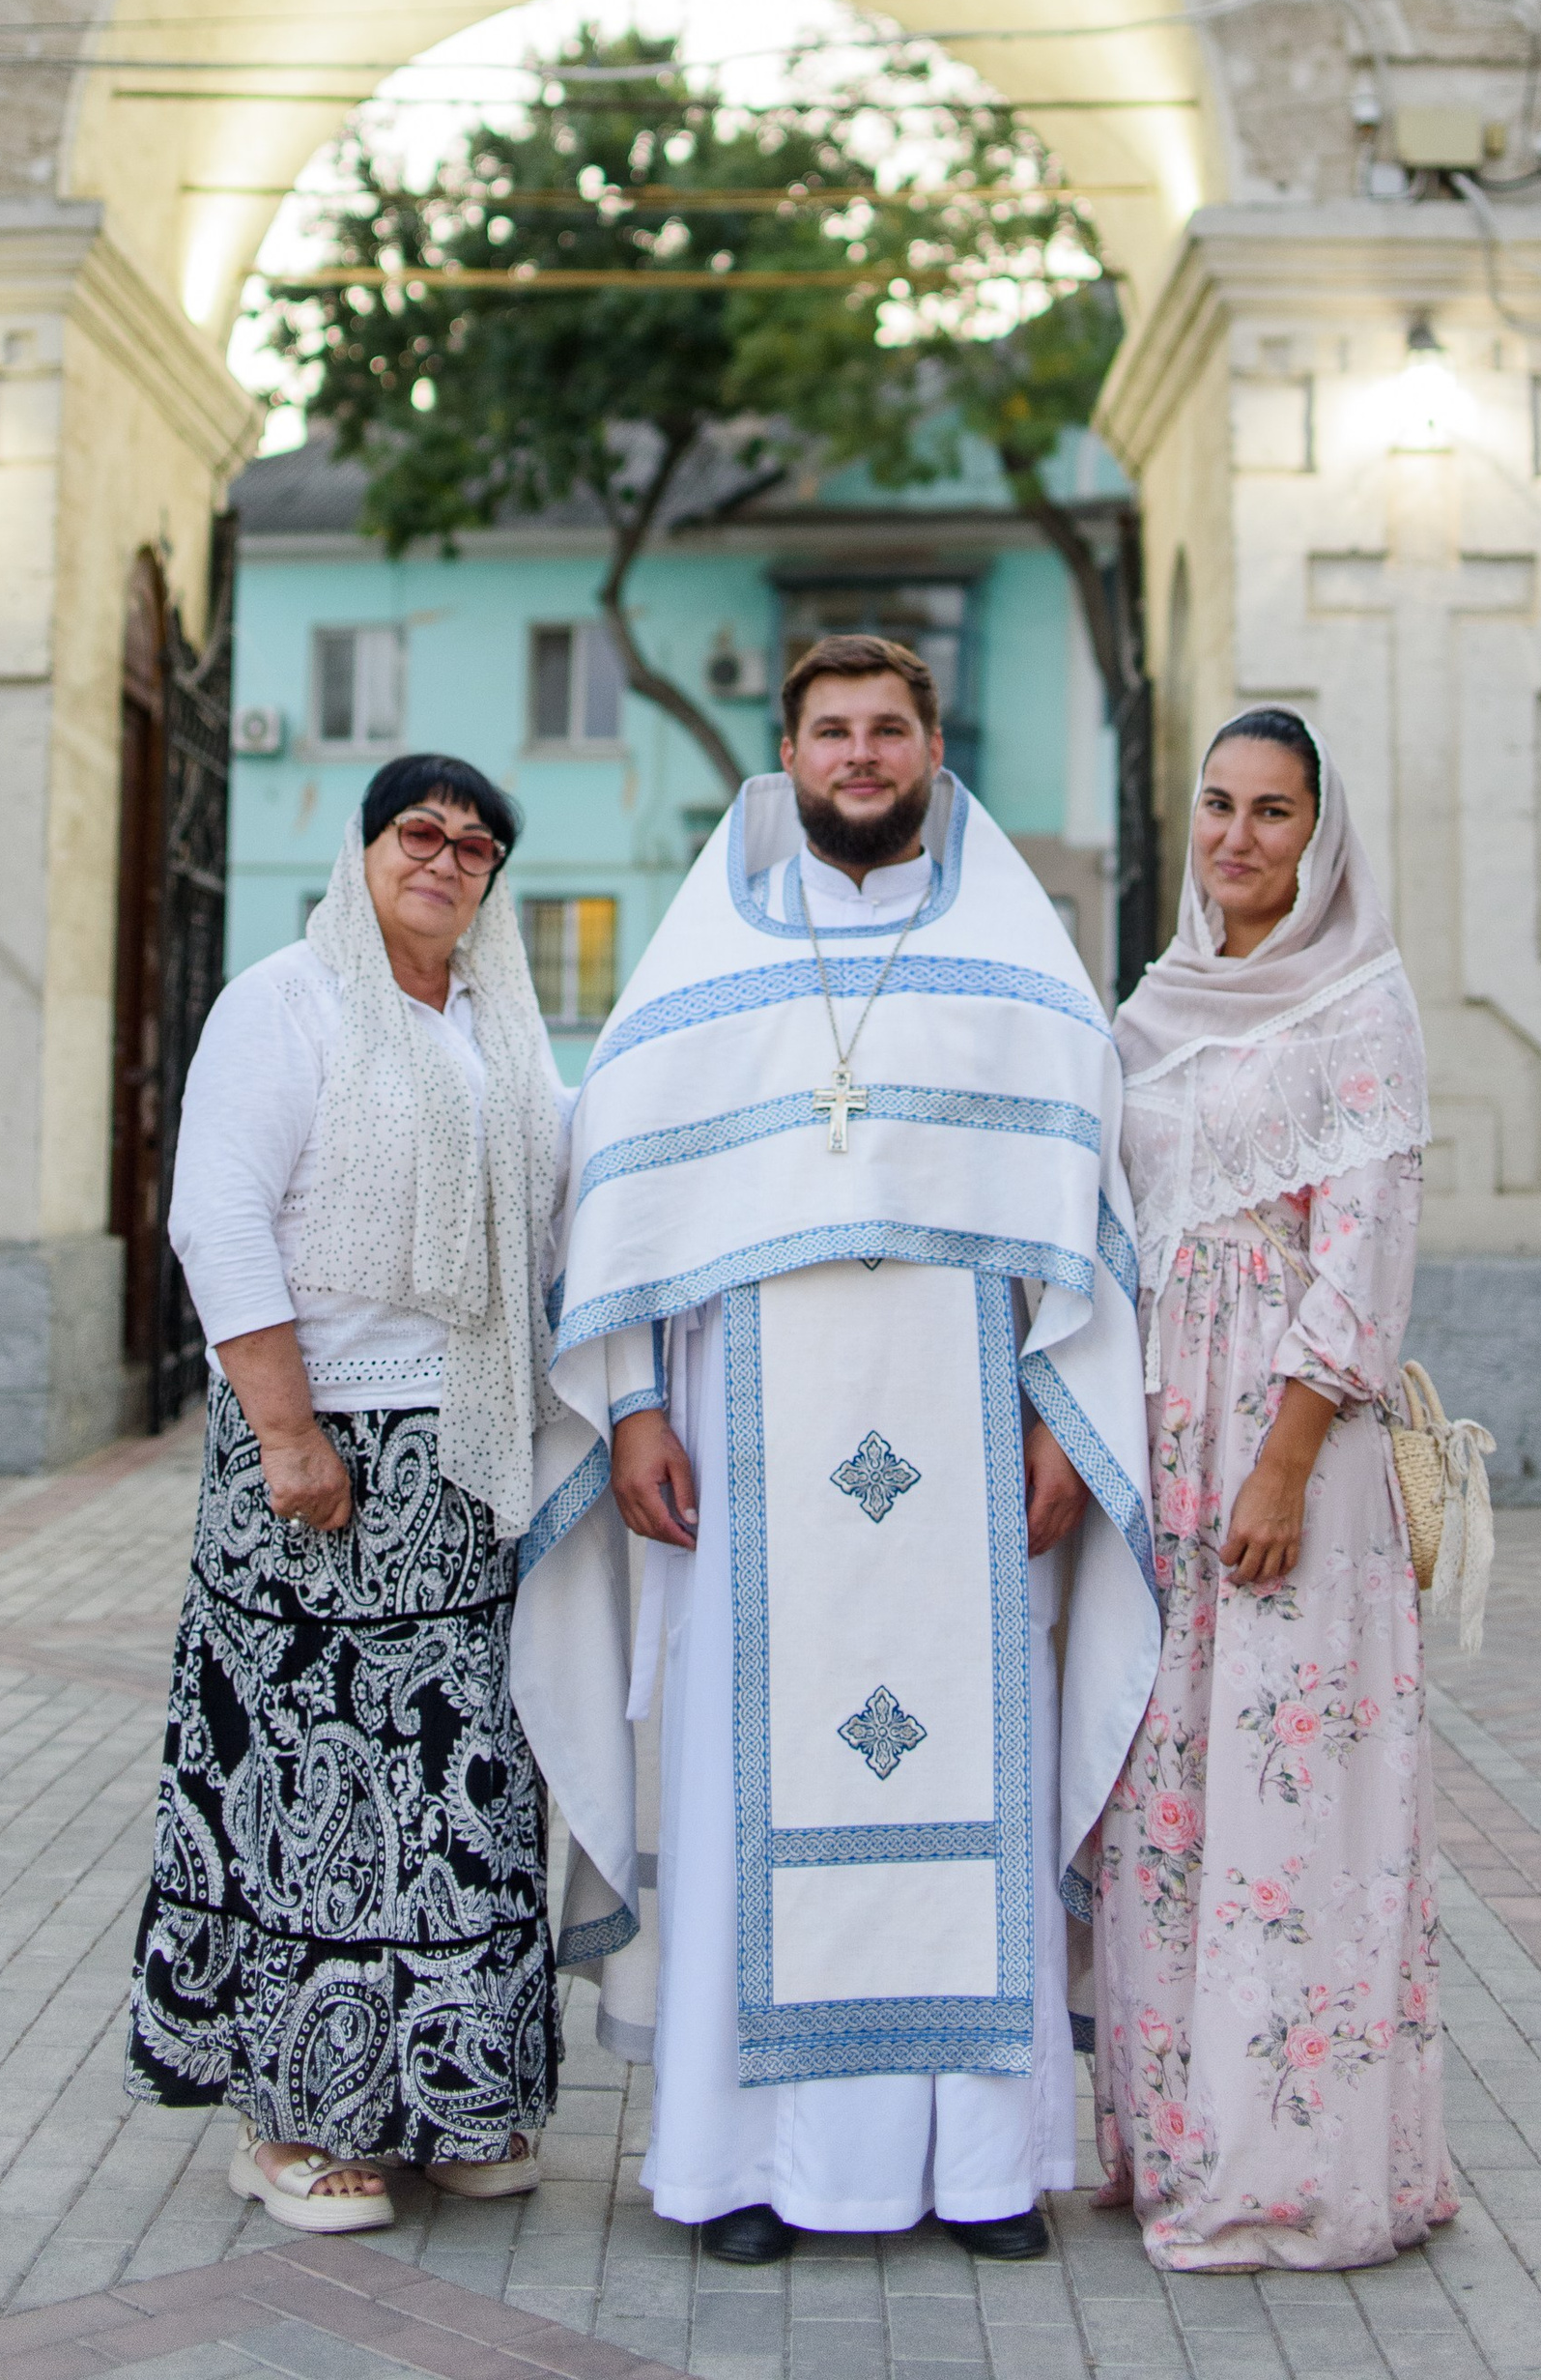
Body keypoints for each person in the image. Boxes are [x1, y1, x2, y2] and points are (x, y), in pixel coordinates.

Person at [511, 637, 1157, 2263]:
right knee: (754, 1786)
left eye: (887, 731)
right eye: (830, 733)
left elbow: (1082, 1224)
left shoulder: (1019, 960)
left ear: (935, 746)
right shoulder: (702, 957)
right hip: (751, 1455)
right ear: (785, 752)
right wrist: (640, 1406)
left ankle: (984, 2171)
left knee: (976, 1781)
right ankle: (746, 2170)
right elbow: (625, 1191)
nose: (859, 758)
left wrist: (1063, 1420)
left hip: (971, 1452)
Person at [127, 754, 568, 2233]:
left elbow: (568, 1209)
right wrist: (288, 1433)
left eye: (476, 846)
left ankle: (450, 2097)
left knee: (459, 1788)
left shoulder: (503, 1027)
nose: (446, 860)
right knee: (312, 1787)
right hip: (321, 1460)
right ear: (364, 850)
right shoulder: (288, 1001)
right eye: (418, 834)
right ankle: (295, 2121)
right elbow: (218, 1212)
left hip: (468, 1459)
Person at [1092, 707, 1458, 2271]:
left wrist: (1289, 1458)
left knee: (1288, 1800)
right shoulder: (1150, 1010)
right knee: (1165, 1792)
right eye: (1221, 806)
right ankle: (1175, 2139)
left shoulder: (1362, 1008)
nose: (1239, 839)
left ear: (1323, 840)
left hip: (1286, 1444)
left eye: (1277, 813)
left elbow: (1367, 1251)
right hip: (1159, 1437)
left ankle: (1293, 2167)